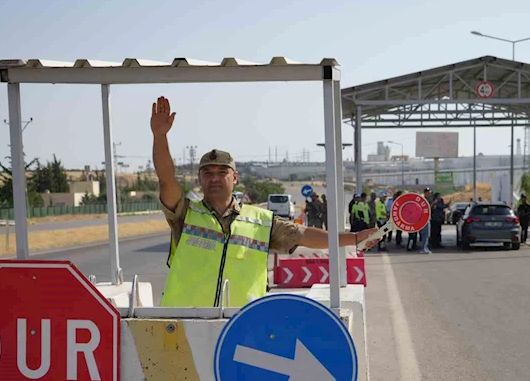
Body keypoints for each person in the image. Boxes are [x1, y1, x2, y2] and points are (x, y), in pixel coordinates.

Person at [150, 96, 378, 307]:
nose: (215, 178)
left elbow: (305, 235)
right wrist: (160, 137)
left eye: (222, 172)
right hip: (184, 324)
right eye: (208, 173)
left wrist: (355, 238)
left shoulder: (261, 221)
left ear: (235, 178)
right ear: (200, 178)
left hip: (241, 325)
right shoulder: (185, 213)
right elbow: (167, 180)